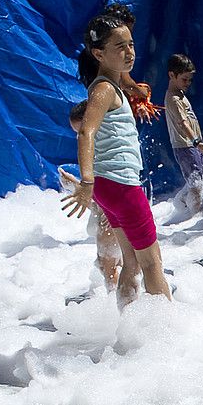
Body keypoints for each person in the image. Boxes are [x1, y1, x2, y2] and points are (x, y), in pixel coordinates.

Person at [62, 15, 172, 307]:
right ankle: (169, 331)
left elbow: (122, 76)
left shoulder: (111, 83)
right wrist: (86, 182)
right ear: (99, 54)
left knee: (132, 262)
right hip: (120, 185)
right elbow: (85, 132)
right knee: (152, 262)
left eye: (131, 44)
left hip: (110, 187)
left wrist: (134, 88)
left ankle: (128, 325)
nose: (130, 52)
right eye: (120, 46)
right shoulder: (104, 89)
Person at [59, 101, 121, 293]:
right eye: (77, 133)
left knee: (109, 265)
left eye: (82, 131)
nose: (81, 137)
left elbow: (115, 184)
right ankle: (123, 308)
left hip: (114, 210)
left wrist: (79, 187)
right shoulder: (103, 146)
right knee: (111, 264)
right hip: (109, 208)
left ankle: (121, 309)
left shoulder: (108, 148)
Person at [163, 54, 203, 215]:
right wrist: (196, 141)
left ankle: (184, 200)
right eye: (185, 79)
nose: (188, 83)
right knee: (196, 183)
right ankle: (196, 215)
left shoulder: (179, 95)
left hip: (191, 144)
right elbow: (182, 123)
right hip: (185, 146)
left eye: (190, 80)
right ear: (172, 75)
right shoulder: (174, 99)